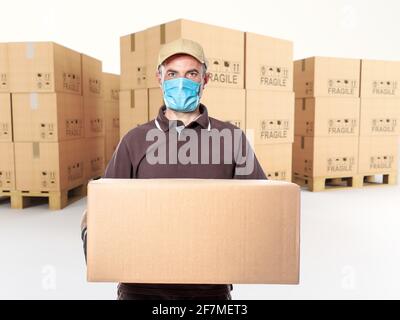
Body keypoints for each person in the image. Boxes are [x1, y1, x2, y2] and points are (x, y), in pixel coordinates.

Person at [81, 38, 267, 300]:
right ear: (159, 79)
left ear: (206, 79)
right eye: (172, 74)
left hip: (208, 287)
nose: (182, 82)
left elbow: (261, 208)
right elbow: (103, 208)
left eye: (191, 73)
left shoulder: (232, 138)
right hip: (141, 286)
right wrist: (95, 241)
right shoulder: (135, 140)